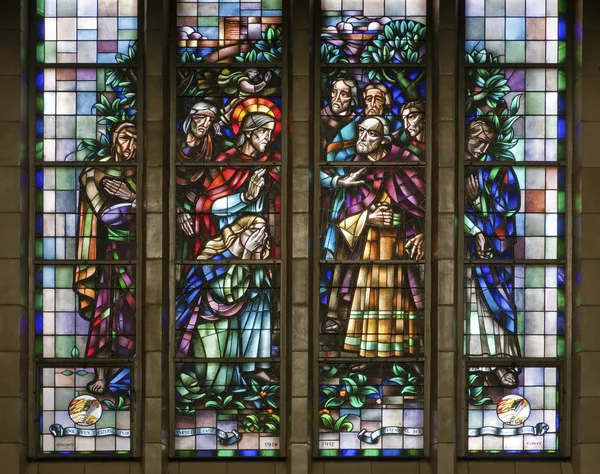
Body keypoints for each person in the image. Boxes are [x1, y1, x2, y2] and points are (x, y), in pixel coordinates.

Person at [320, 116, 426, 361]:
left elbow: (424, 207)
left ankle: (404, 354)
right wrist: (368, 217)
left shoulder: (405, 163)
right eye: (361, 131)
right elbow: (345, 216)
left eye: (371, 134)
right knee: (367, 300)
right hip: (368, 250)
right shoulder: (358, 168)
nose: (363, 138)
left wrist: (422, 233)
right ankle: (366, 356)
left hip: (400, 247)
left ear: (384, 139)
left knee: (400, 300)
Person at [175, 215, 274, 392]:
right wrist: (245, 255)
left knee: (261, 301)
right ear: (236, 232)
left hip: (232, 323)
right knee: (213, 382)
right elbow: (226, 293)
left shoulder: (252, 259)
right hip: (207, 324)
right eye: (253, 231)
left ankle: (254, 367)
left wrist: (256, 257)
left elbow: (257, 290)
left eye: (262, 233)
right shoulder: (213, 258)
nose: (257, 237)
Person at [73, 122, 137, 394]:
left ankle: (134, 370)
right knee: (108, 312)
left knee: (137, 314)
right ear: (114, 139)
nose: (130, 145)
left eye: (136, 139)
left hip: (144, 255)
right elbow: (101, 211)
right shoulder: (96, 172)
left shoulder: (148, 172)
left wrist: (131, 195)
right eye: (124, 138)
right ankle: (102, 374)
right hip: (113, 252)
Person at [464, 118, 521, 387]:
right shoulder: (455, 168)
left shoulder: (497, 170)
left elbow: (506, 211)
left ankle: (500, 362)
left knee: (493, 306)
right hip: (462, 254)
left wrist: (477, 201)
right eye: (478, 141)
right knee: (469, 308)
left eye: (487, 143)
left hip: (489, 256)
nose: (482, 148)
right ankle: (473, 361)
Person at [176, 101, 220, 261]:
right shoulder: (172, 145)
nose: (205, 124)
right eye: (201, 117)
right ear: (190, 117)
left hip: (206, 213)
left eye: (210, 121)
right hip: (176, 213)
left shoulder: (215, 148)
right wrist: (177, 210)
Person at [321, 77, 359, 151]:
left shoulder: (357, 120)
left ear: (352, 98)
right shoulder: (322, 117)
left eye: (343, 94)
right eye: (334, 92)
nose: (337, 98)